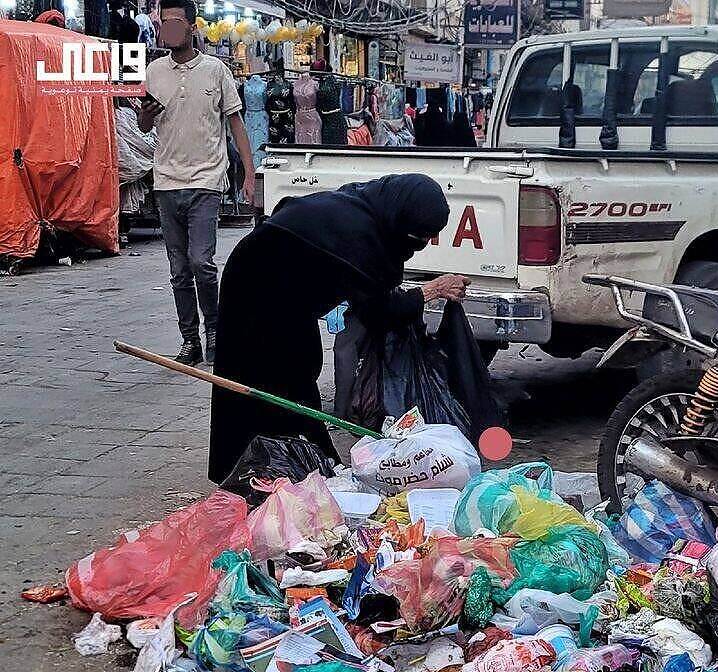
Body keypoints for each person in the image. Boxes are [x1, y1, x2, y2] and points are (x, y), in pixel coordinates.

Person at [207, 174, 470, 483]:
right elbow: (379, 311)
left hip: (285, 288)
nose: (418, 247)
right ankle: (259, 471)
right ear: (400, 219)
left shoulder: (366, 207)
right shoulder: (361, 234)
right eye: (417, 238)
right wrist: (433, 289)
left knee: (301, 366)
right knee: (264, 377)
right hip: (255, 286)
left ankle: (307, 462)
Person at [139, 0, 255, 365]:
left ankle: (216, 331)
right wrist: (143, 116)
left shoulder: (216, 70)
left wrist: (250, 173)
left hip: (207, 179)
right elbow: (144, 126)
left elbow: (236, 124)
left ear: (192, 27)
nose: (167, 29)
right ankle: (190, 341)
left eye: (174, 22)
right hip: (166, 181)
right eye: (163, 23)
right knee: (177, 270)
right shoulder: (154, 71)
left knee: (201, 262)